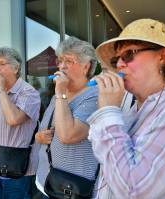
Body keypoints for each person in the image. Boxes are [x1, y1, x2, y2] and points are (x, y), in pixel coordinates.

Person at [87, 18, 165, 198]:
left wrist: (107, 112)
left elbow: (134, 190)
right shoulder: (136, 108)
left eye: (129, 54)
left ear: (162, 57)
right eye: (116, 59)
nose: (118, 65)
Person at [34, 36, 100, 198]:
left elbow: (68, 135)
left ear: (86, 66)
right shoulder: (57, 96)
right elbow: (45, 130)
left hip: (73, 188)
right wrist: (39, 137)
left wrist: (60, 93)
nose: (61, 66)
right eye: (60, 60)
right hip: (46, 181)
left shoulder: (95, 96)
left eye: (69, 61)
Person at [0, 47, 41, 199]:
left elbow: (13, 119)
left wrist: (2, 91)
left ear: (16, 67)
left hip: (14, 169)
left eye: (1, 64)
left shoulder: (28, 92)